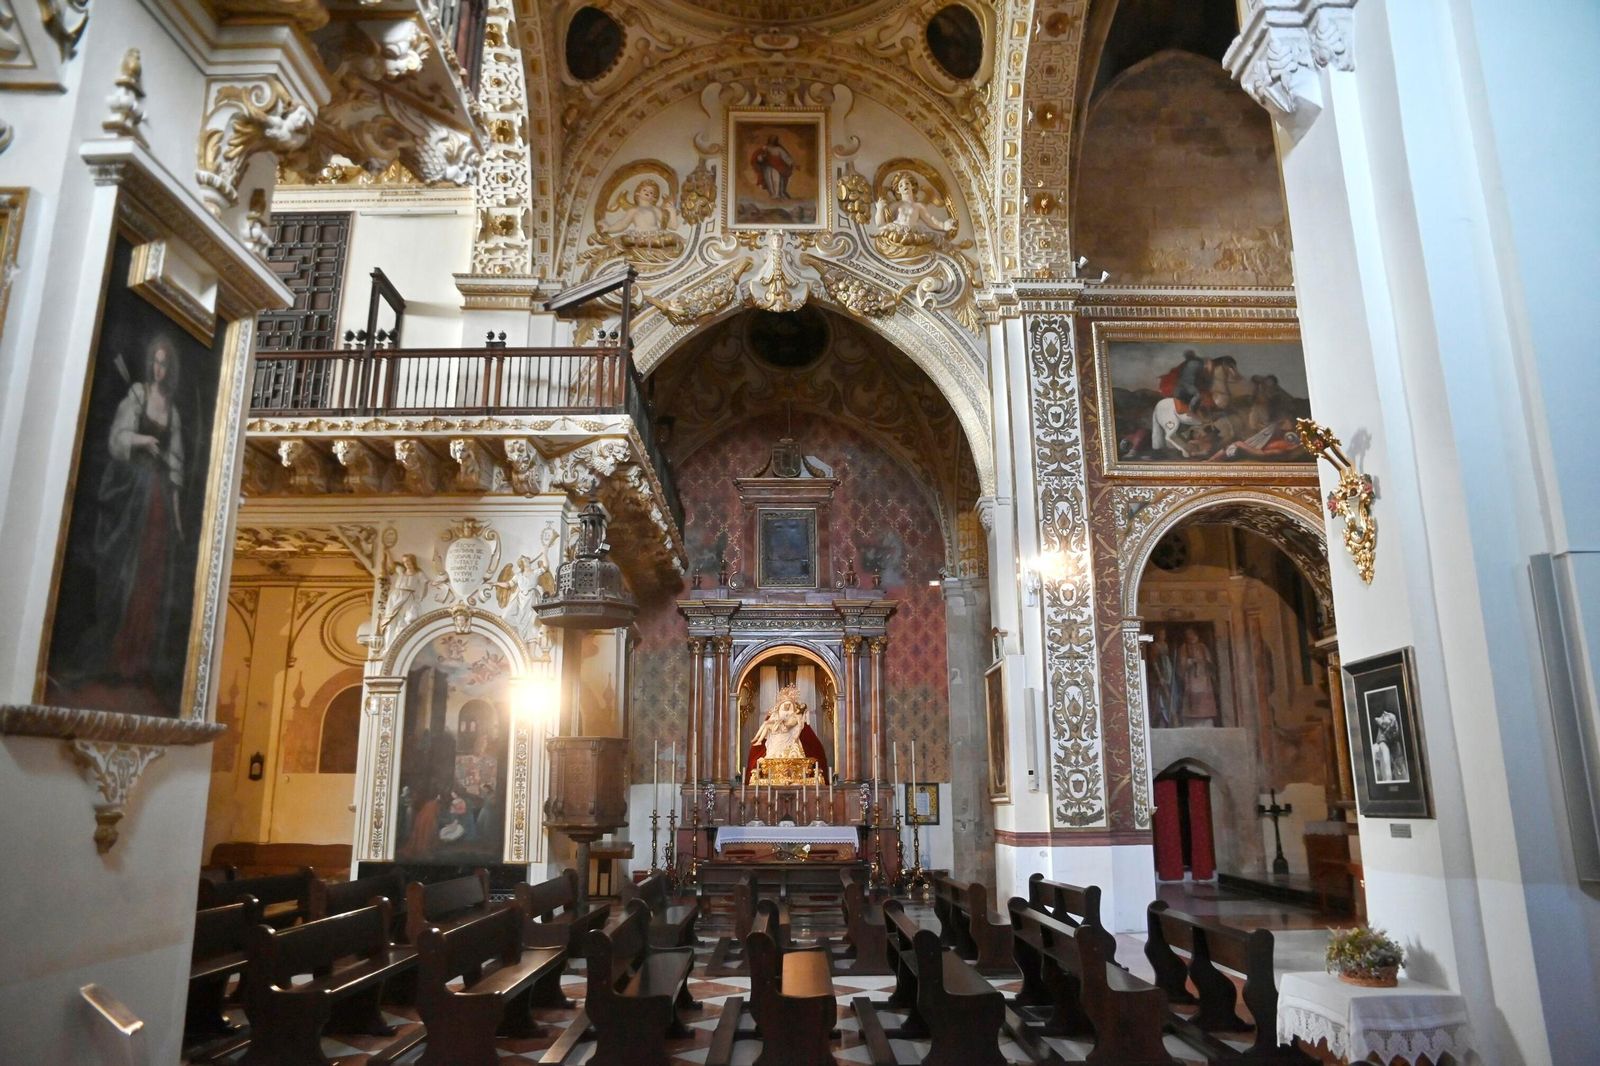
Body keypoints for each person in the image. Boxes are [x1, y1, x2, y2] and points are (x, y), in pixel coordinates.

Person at [75, 339, 186, 688]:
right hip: (131, 491)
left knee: (150, 575)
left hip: (157, 501)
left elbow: (177, 468)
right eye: (155, 362)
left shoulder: (173, 411)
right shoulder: (137, 395)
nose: (159, 370)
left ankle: (136, 659)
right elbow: (117, 439)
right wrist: (143, 441)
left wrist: (178, 515)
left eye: (165, 364)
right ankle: (113, 653)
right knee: (125, 568)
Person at [1176, 627, 1221, 725]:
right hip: (1191, 676)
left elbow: (1209, 661)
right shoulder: (1184, 647)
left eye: (1191, 634)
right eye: (1188, 635)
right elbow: (1182, 663)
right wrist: (1190, 662)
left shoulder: (1202, 646)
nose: (1190, 637)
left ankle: (1206, 717)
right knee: (1192, 696)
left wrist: (1205, 663)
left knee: (1205, 696)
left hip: (1203, 676)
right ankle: (1192, 719)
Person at [751, 134, 794, 199]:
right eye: (772, 140)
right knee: (768, 180)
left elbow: (786, 157)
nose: (773, 141)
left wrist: (792, 163)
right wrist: (762, 157)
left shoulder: (779, 149)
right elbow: (759, 157)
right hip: (767, 167)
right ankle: (772, 195)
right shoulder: (764, 148)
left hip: (778, 167)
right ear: (769, 140)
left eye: (774, 140)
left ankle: (778, 194)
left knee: (777, 180)